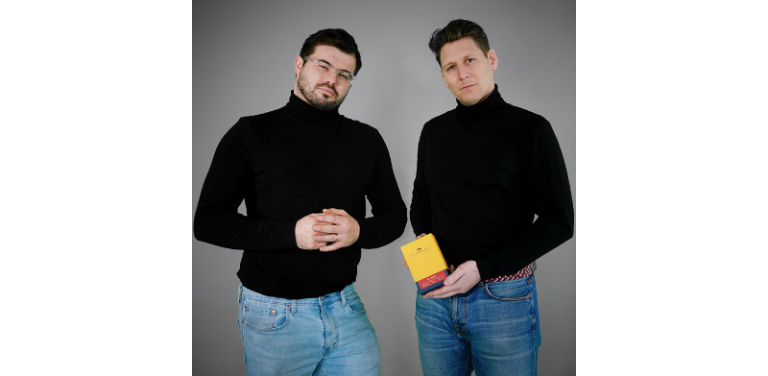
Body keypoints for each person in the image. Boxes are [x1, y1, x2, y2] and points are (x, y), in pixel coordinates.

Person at [194, 28, 407, 376]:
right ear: (299, 64)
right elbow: (207, 222)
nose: (332, 79)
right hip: (273, 313)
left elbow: (396, 215)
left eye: (344, 74)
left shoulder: (366, 140)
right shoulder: (250, 133)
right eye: (323, 66)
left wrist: (359, 232)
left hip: (345, 305)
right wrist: (293, 234)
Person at [408, 19, 574, 376]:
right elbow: (422, 199)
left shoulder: (531, 129)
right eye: (451, 66)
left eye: (470, 60)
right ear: (443, 76)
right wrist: (424, 250)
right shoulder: (434, 132)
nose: (462, 73)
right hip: (436, 300)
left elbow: (559, 222)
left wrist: (483, 269)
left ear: (491, 59)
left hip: (504, 301)